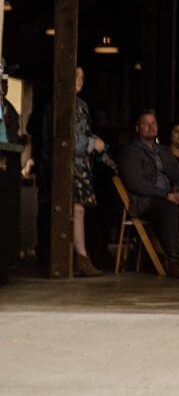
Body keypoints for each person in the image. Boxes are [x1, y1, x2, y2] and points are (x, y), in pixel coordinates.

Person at [117, 110, 179, 279]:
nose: (151, 127)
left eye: (154, 123)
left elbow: (177, 174)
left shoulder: (163, 151)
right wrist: (165, 195)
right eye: (146, 124)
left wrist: (177, 191)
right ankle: (174, 260)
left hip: (166, 196)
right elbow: (137, 185)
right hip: (145, 201)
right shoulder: (131, 152)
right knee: (168, 207)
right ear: (137, 128)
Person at [71, 68, 106, 276]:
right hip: (68, 165)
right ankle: (80, 257)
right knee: (75, 211)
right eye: (76, 76)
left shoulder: (82, 105)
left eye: (83, 77)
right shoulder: (60, 102)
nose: (80, 81)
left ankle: (82, 256)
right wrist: (93, 143)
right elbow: (67, 139)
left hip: (82, 166)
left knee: (80, 210)